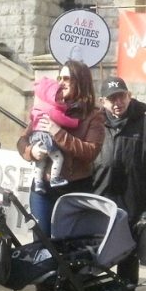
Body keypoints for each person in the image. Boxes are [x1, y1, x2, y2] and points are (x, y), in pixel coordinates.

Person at [17, 60, 105, 237]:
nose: (61, 82)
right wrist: (31, 152)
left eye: (67, 78)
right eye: (59, 78)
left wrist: (57, 132)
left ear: (80, 82)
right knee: (41, 243)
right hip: (43, 188)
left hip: (74, 189)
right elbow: (22, 140)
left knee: (68, 247)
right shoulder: (49, 106)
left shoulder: (93, 115)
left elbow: (90, 152)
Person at [92, 76, 145, 285]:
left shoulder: (143, 123)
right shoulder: (94, 124)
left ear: (129, 96)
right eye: (112, 99)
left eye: (121, 97)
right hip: (99, 201)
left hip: (132, 201)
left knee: (128, 253)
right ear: (102, 101)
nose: (117, 103)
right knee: (96, 251)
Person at [27, 77, 80, 193]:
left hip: (36, 137)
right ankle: (55, 178)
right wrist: (75, 122)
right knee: (58, 158)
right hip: (46, 137)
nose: (61, 98)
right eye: (58, 97)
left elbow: (32, 119)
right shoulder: (52, 110)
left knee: (41, 161)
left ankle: (38, 182)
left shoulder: (39, 108)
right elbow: (63, 120)